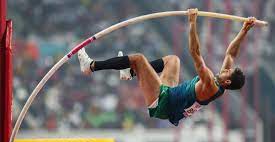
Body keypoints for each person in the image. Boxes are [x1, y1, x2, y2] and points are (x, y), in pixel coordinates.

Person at [77, 8, 256, 126]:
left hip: (163, 104)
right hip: (170, 95)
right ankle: (129, 72)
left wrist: (192, 23)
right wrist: (244, 30)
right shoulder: (220, 82)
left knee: (139, 59)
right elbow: (231, 54)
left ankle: (91, 66)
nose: (224, 69)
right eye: (227, 68)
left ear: (227, 81)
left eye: (227, 71)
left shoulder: (210, 83)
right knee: (173, 60)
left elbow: (195, 53)